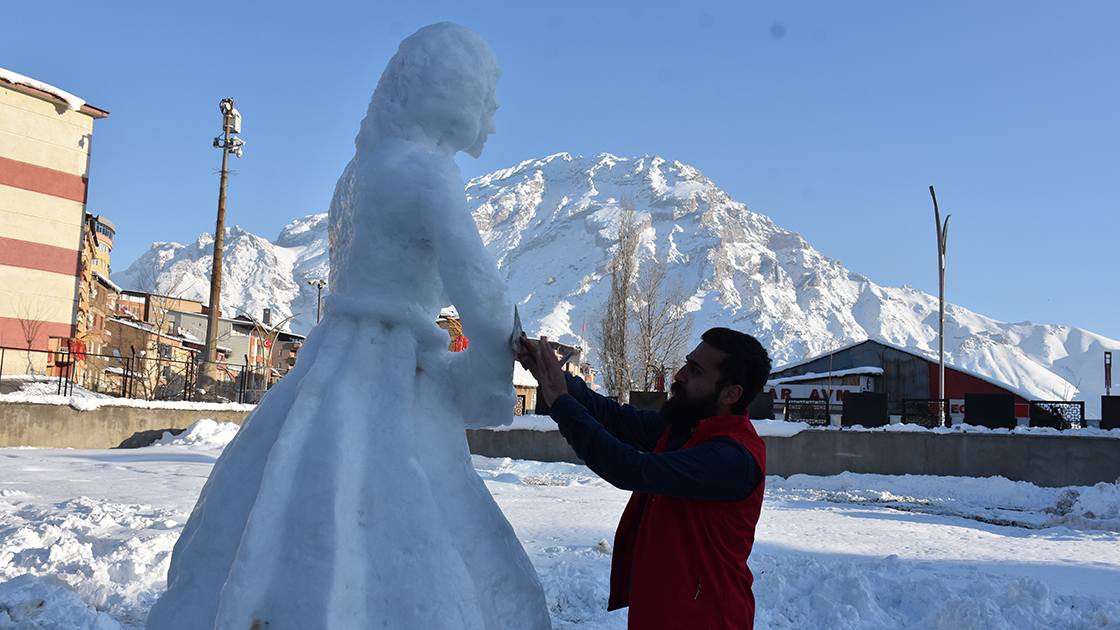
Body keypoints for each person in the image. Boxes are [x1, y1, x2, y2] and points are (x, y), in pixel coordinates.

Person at [518, 327, 771, 630]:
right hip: (661, 613)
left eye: (696, 370)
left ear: (731, 393)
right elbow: (613, 417)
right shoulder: (685, 429)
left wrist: (559, 400)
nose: (680, 374)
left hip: (706, 619)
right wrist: (553, 375)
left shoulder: (732, 457)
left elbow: (630, 469)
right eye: (687, 362)